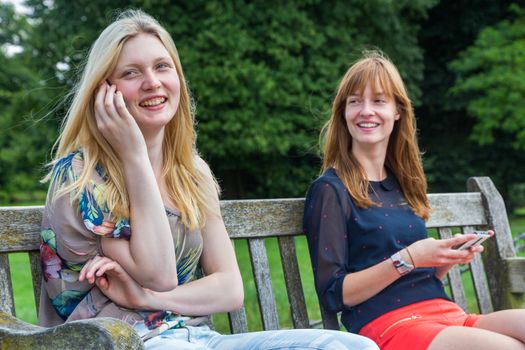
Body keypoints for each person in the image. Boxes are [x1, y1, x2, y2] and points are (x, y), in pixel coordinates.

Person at [38, 9, 378, 350]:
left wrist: (145, 297)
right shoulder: (83, 176)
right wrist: (135, 155)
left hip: (194, 338)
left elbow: (229, 288)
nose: (152, 82)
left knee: (351, 347)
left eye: (162, 66)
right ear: (105, 92)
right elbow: (160, 272)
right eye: (131, 72)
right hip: (117, 342)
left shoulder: (190, 172)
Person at [303, 50, 525, 350]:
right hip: (389, 325)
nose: (365, 110)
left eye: (378, 100)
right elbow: (333, 293)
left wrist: (442, 259)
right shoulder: (330, 190)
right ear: (343, 112)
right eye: (355, 101)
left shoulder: (403, 183)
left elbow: (409, 273)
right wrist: (408, 258)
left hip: (446, 315)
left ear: (397, 111)